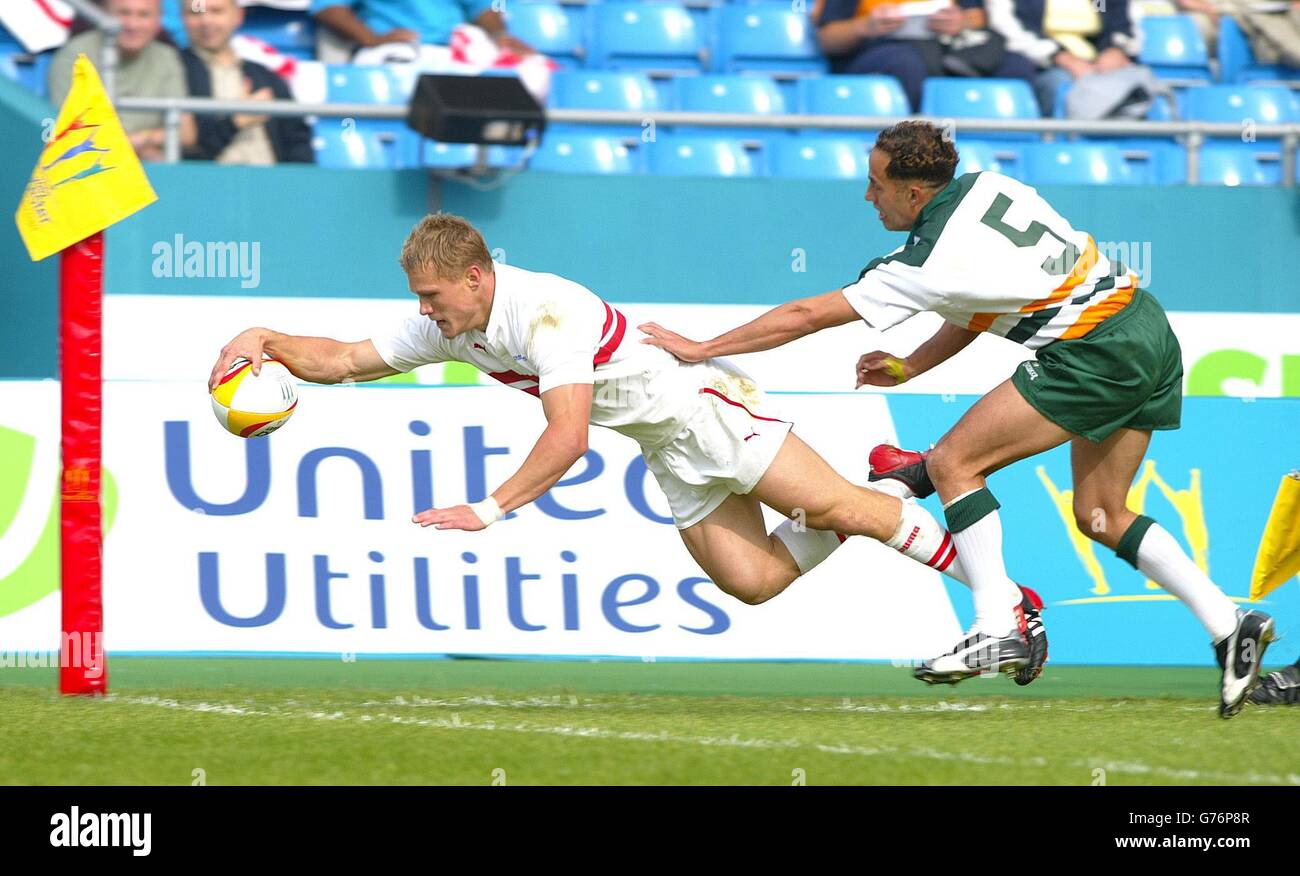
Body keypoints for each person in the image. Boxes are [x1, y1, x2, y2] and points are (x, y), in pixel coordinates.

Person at [207, 213, 1044, 674]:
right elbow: (347, 361)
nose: (424, 310)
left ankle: (1008, 606)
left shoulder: (546, 310)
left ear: (474, 276)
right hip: (664, 445)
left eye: (432, 295)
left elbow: (567, 439)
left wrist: (489, 511)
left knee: (835, 506)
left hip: (702, 407)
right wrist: (264, 336)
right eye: (418, 299)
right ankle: (890, 497)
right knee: (753, 582)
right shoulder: (450, 324)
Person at [637, 120, 1273, 717]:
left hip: (1094, 353)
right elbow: (970, 303)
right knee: (1101, 513)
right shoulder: (992, 188)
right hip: (1146, 325)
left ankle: (996, 627)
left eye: (876, 185)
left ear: (914, 191)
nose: (867, 197)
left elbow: (806, 315)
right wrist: (912, 367)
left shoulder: (925, 263)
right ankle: (1228, 626)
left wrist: (701, 348)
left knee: (952, 463)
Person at [814, 0, 1040, 113]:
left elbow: (979, 16)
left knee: (1016, 65)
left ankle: (1015, 149)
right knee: (907, 63)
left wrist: (961, 21)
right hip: (880, 50)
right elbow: (826, 38)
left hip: (950, 48)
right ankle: (915, 148)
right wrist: (866, 26)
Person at [48, 0, 195, 161]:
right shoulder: (75, 55)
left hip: (148, 165)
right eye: (124, 13)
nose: (132, 24)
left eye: (143, 15)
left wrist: (143, 139)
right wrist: (138, 145)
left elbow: (187, 133)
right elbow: (68, 134)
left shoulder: (166, 57)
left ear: (158, 20)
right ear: (105, 15)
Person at [179, 0, 314, 165]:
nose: (206, 21)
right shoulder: (173, 71)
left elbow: (297, 140)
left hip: (272, 182)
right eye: (195, 12)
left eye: (217, 11)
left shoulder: (264, 75)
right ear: (182, 18)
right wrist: (236, 121)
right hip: (206, 182)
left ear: (238, 16)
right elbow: (187, 149)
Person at [983, 0, 1137, 116]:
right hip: (1039, 63)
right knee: (1060, 83)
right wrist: (1057, 56)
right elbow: (1007, 27)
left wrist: (1114, 48)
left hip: (1097, 61)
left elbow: (1111, 16)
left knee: (1136, 81)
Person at [311, 0, 533, 64]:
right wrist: (372, 39)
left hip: (454, 52)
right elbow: (329, 9)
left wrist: (499, 37)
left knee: (530, 67)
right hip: (393, 53)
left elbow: (483, 8)